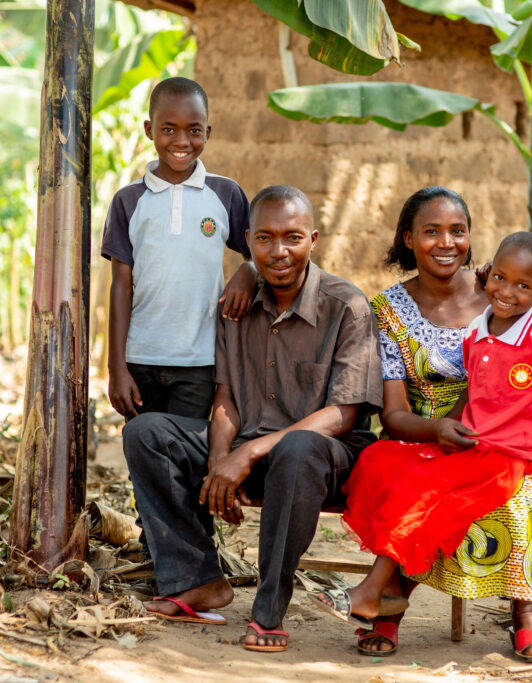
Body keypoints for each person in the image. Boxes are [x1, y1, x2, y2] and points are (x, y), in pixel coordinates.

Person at [311, 230, 532, 663]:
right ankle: (385, 596)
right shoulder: (476, 331)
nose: (507, 292)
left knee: (424, 489)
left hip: (508, 457)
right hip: (472, 445)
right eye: (500, 279)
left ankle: (371, 593)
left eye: (523, 286)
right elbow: (477, 391)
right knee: (382, 460)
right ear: (487, 277)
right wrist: (449, 424)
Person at [122, 185, 384, 653]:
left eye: (292, 237)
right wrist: (220, 459)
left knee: (297, 448)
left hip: (323, 462)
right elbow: (226, 398)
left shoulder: (347, 306)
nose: (278, 251)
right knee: (147, 432)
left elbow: (343, 414)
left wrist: (248, 452)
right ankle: (197, 579)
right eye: (264, 239)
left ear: (314, 239)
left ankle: (268, 612)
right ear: (248, 240)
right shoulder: (237, 308)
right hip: (250, 450)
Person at [100, 76, 256, 422]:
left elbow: (257, 254)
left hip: (201, 359)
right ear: (149, 129)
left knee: (190, 453)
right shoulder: (128, 201)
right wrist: (117, 368)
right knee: (145, 446)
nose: (182, 141)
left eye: (194, 130)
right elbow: (121, 285)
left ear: (208, 132)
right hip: (141, 359)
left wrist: (248, 271)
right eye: (168, 129)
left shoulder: (225, 194)